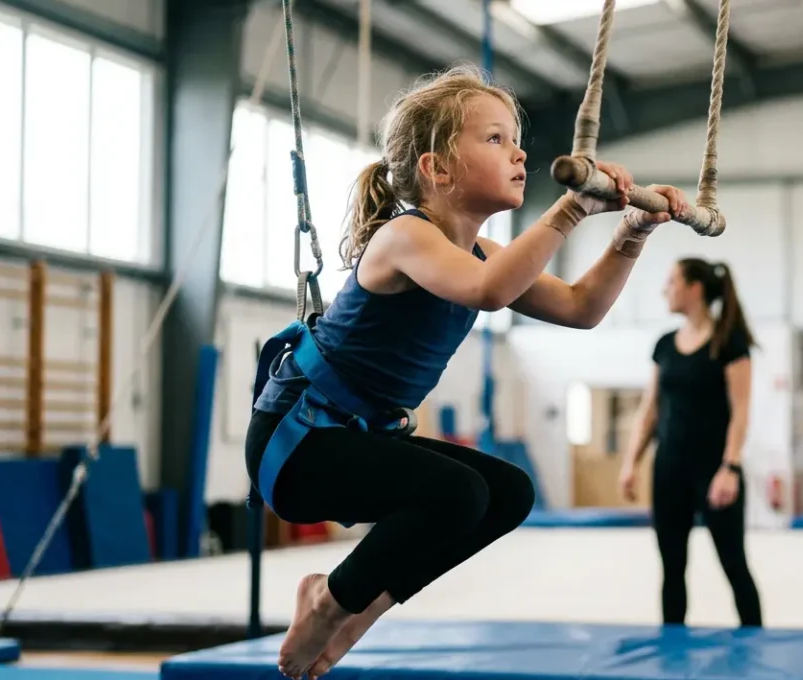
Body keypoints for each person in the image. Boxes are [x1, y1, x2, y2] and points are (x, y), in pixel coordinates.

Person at [244, 64, 689, 680]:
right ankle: (328, 598)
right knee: (459, 492)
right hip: (299, 443)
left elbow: (582, 308)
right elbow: (487, 292)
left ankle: (361, 605)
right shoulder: (405, 236)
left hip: (355, 437)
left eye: (515, 138)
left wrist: (632, 235)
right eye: (496, 139)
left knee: (509, 493)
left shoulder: (481, 252)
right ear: (437, 168)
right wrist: (567, 212)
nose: (519, 152)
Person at [617, 257, 763, 628]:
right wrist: (631, 463)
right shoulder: (664, 345)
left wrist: (729, 468)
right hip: (670, 469)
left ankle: (756, 644)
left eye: (671, 281)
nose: (665, 289)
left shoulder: (728, 342)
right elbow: (649, 412)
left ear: (694, 289)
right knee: (672, 567)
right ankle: (671, 653)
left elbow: (741, 411)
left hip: (715, 471)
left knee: (733, 564)